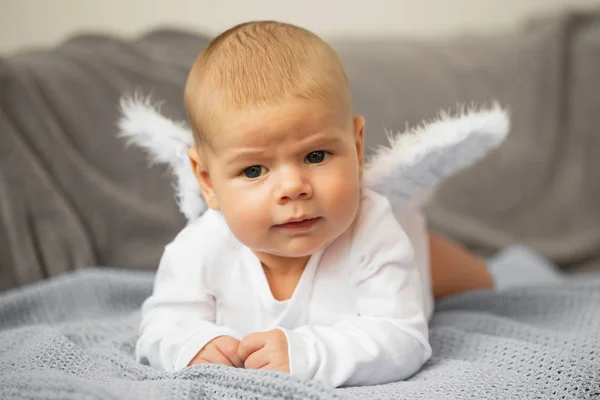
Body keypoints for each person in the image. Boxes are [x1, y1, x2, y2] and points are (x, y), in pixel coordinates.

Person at [135, 20, 493, 388]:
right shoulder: (199, 247)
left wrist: (306, 353)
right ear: (207, 181)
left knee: (478, 279)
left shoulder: (372, 229)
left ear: (355, 148)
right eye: (255, 170)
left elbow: (404, 339)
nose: (292, 188)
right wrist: (192, 345)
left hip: (411, 255)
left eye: (316, 156)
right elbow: (162, 326)